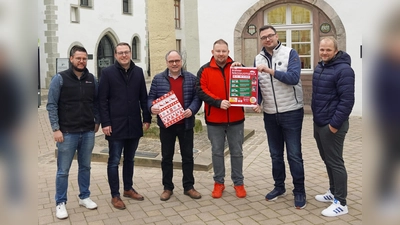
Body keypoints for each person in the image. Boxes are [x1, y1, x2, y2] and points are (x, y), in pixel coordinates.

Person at [253, 25, 306, 209]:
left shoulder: (290, 53)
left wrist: (269, 71)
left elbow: (293, 77)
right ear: (261, 40)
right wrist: (256, 101)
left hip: (291, 111)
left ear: (277, 36)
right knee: (275, 155)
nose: (267, 40)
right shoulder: (258, 58)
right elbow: (257, 84)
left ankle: (299, 191)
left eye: (270, 36)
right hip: (270, 114)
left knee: (294, 155)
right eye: (264, 37)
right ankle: (279, 187)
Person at [47, 45, 100, 219]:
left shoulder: (92, 79)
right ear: (71, 59)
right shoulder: (60, 79)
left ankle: (84, 196)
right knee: (63, 170)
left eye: (84, 58)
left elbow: (97, 102)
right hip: (67, 133)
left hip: (87, 132)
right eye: (78, 58)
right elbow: (52, 105)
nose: (81, 61)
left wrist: (97, 121)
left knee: (85, 167)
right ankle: (60, 202)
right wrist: (56, 129)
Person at [98, 42, 152, 210]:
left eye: (126, 52)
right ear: (115, 55)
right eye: (120, 53)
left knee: (130, 159)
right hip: (115, 125)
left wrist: (147, 117)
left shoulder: (138, 72)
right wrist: (105, 122)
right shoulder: (107, 73)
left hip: (134, 123)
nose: (123, 55)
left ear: (130, 53)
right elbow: (102, 100)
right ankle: (115, 195)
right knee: (114, 161)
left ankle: (128, 188)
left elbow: (143, 97)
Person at [148, 50, 202, 201]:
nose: (174, 64)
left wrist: (192, 109)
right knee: (166, 157)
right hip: (166, 125)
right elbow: (151, 97)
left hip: (186, 124)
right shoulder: (158, 79)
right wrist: (151, 108)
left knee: (188, 157)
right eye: (171, 61)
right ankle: (167, 188)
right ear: (167, 63)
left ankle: (189, 187)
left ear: (181, 61)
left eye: (177, 61)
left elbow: (197, 98)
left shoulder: (191, 78)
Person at [196, 39, 247, 199]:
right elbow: (200, 90)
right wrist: (218, 102)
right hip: (214, 119)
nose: (221, 54)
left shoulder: (238, 67)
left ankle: (238, 183)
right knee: (217, 152)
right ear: (213, 52)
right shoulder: (204, 70)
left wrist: (243, 69)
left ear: (228, 52)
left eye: (224, 51)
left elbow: (249, 84)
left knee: (237, 152)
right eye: (218, 51)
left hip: (236, 118)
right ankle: (219, 183)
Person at [312, 37, 355, 217]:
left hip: (332, 125)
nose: (324, 53)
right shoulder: (320, 66)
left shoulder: (344, 70)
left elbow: (347, 101)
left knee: (336, 162)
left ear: (336, 51)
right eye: (322, 49)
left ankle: (341, 202)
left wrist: (334, 125)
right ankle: (332, 191)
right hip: (319, 122)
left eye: (328, 50)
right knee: (327, 159)